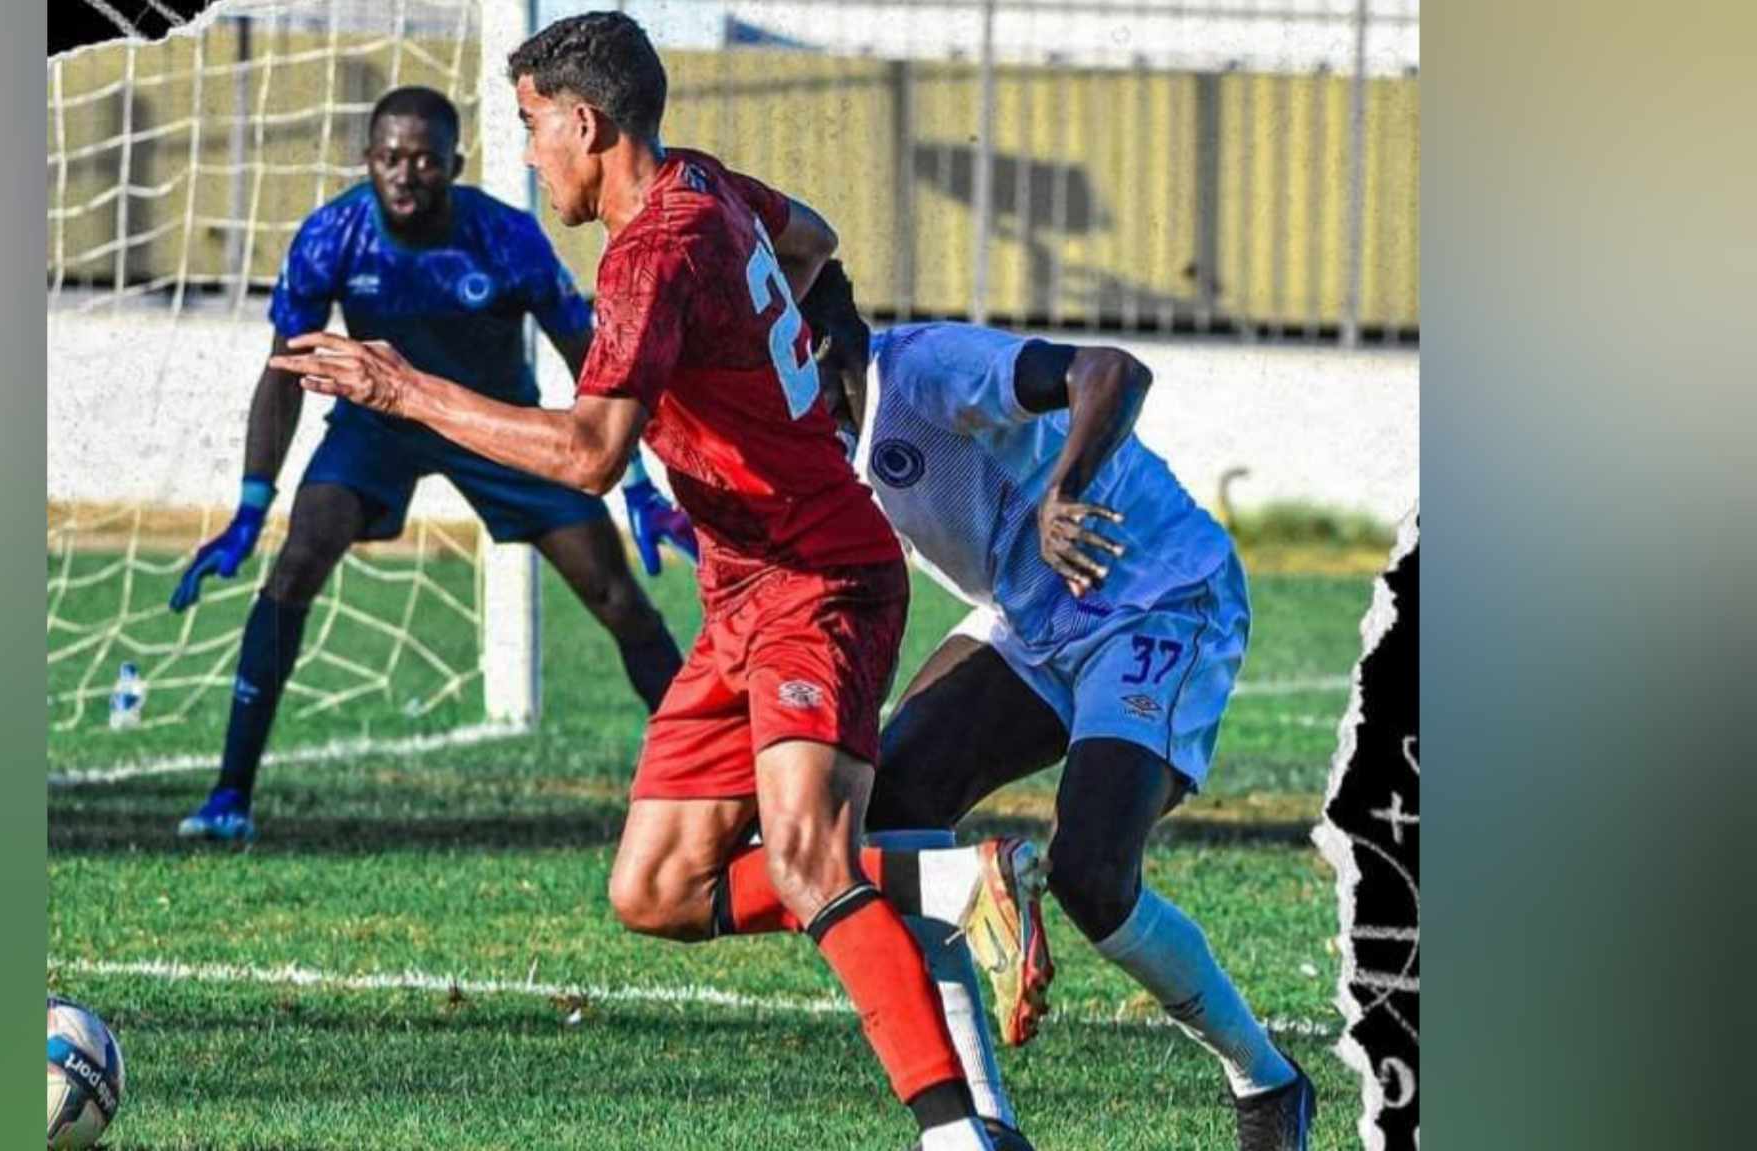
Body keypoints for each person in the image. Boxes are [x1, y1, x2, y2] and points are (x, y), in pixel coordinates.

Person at [263, 15, 1046, 1151]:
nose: (526, 155)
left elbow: (588, 453)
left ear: (584, 123)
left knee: (806, 859)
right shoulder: (703, 187)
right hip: (743, 591)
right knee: (657, 889)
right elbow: (815, 240)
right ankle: (947, 880)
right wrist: (786, 366)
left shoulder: (647, 253)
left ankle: (953, 1136)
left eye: (532, 128)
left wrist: (404, 389)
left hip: (817, 577)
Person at [797, 260, 1319, 1151]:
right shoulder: (819, 435)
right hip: (1030, 618)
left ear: (807, 341)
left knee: (1089, 873)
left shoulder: (924, 368)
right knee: (889, 810)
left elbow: (1110, 370)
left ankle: (1267, 1081)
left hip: (1154, 593)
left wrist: (1064, 490)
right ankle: (984, 1124)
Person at [170, 85, 691, 843]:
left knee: (618, 597)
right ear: (367, 160)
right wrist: (253, 504)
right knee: (294, 567)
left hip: (499, 425)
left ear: (455, 163)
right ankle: (229, 796)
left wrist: (637, 483)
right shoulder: (332, 235)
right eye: (388, 158)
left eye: (422, 160)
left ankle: (721, 787)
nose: (404, 174)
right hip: (379, 424)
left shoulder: (505, 236)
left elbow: (591, 358)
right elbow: (284, 370)